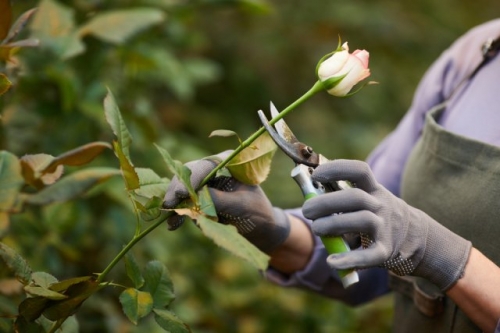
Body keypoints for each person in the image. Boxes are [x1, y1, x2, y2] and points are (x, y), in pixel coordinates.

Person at [163, 19, 500, 333]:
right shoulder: (476, 56)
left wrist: (441, 254)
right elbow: (366, 245)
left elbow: (405, 238)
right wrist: (272, 229)